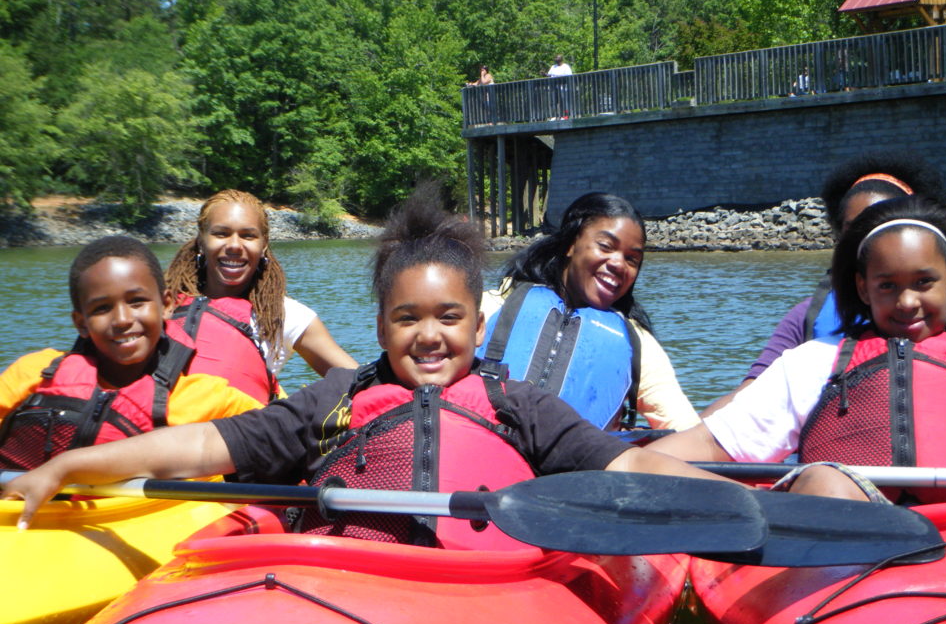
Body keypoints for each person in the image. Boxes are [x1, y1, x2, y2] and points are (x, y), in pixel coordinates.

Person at [2, 185, 721, 541]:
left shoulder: (519, 405)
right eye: (407, 318)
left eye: (449, 318)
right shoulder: (336, 399)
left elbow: (626, 465)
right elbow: (202, 443)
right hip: (348, 583)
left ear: (479, 323)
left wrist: (735, 501)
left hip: (491, 592)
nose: (430, 337)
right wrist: (69, 466)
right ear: (379, 325)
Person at [648, 195, 946, 503]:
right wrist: (617, 463)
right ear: (863, 288)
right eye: (887, 286)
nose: (908, 302)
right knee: (824, 482)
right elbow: (710, 446)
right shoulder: (813, 363)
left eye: (924, 282)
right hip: (853, 542)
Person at [702, 153, 946, 415]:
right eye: (856, 229)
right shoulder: (808, 329)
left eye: (887, 226)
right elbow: (750, 398)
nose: (907, 303)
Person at [0, 236, 263, 470]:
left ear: (166, 305)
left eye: (137, 302)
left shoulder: (207, 398)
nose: (123, 319)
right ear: (81, 323)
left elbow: (280, 438)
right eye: (102, 308)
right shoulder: (33, 374)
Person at [478, 192, 700, 432]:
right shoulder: (492, 307)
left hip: (576, 466)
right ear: (571, 244)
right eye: (605, 246)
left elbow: (685, 430)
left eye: (632, 259)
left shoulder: (638, 345)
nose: (618, 264)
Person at [165, 190, 357, 402]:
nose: (234, 246)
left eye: (248, 235)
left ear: (264, 244)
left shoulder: (286, 316)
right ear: (201, 240)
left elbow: (361, 383)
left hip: (236, 432)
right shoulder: (164, 305)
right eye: (221, 233)